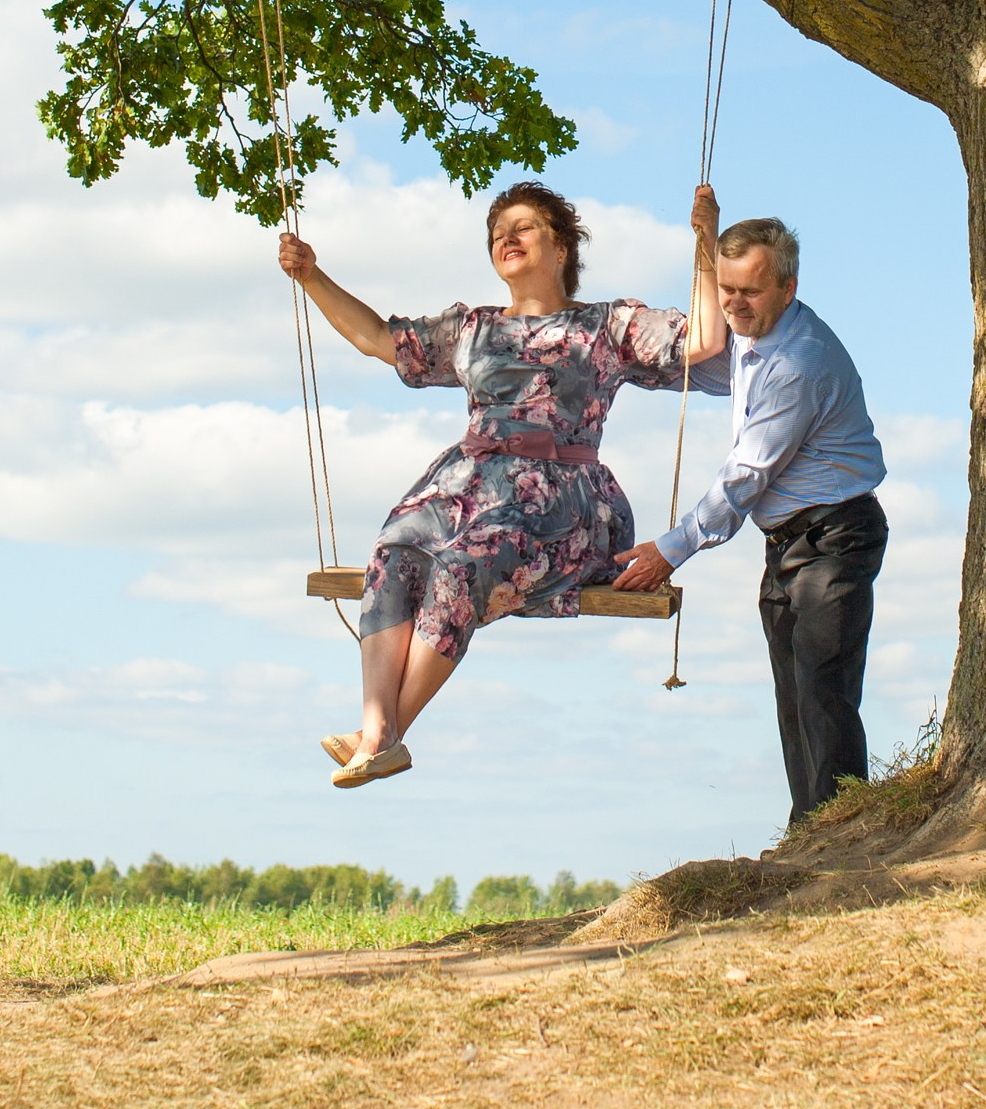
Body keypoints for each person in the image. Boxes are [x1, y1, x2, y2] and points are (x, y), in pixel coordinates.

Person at [277, 179, 726, 788]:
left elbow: (703, 341)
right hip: (463, 486)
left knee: (463, 567)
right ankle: (375, 727)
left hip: (556, 498)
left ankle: (384, 737)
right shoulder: (472, 328)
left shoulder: (606, 326)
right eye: (496, 234)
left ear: (562, 247)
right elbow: (377, 339)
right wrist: (311, 276)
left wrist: (707, 242)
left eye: (522, 228)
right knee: (394, 555)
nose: (505, 239)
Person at [613, 211, 887, 827]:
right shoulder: (753, 338)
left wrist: (671, 549)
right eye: (727, 290)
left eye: (750, 292)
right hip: (787, 543)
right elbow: (701, 365)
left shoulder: (797, 363)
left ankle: (842, 836)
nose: (734, 304)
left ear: (788, 289)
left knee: (824, 691)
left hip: (836, 536)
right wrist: (616, 364)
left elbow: (746, 475)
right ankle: (810, 831)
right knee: (794, 698)